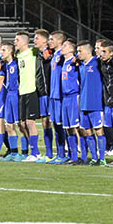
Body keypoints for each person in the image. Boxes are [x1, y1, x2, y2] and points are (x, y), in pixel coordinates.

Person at [14, 31, 43, 162]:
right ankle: (30, 150)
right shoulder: (18, 55)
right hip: (22, 91)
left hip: (32, 90)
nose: (15, 42)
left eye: (17, 40)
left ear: (25, 42)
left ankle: (36, 153)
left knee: (30, 123)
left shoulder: (33, 52)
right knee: (22, 124)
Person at [77, 40, 106, 166]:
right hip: (84, 104)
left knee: (99, 131)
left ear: (88, 51)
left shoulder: (97, 62)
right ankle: (94, 158)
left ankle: (103, 158)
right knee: (88, 132)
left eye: (80, 51)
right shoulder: (81, 65)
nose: (78, 53)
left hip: (96, 104)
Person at [46, 30, 69, 164]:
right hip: (53, 96)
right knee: (55, 125)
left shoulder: (63, 55)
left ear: (59, 42)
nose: (50, 42)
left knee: (62, 126)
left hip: (60, 96)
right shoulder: (55, 55)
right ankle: (60, 154)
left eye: (52, 39)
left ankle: (67, 153)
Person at [59, 39, 82, 165]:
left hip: (74, 96)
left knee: (76, 126)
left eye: (65, 45)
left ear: (72, 49)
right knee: (67, 127)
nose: (62, 47)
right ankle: (72, 156)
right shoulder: (64, 62)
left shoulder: (75, 61)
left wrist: (78, 58)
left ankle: (81, 152)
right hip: (65, 97)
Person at [34, 29, 54, 161]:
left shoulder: (51, 53)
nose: (34, 41)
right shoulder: (37, 54)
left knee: (55, 122)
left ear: (44, 41)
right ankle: (49, 153)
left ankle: (66, 151)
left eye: (36, 38)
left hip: (52, 94)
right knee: (45, 122)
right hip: (42, 93)